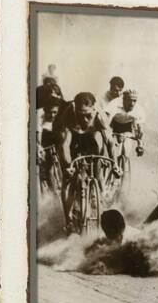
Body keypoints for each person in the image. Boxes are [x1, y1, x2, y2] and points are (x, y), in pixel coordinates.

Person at [54, 92, 116, 231]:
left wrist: (115, 163)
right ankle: (68, 220)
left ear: (94, 108)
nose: (85, 119)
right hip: (72, 138)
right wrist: (68, 167)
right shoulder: (67, 114)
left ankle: (101, 197)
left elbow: (110, 141)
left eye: (88, 115)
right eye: (80, 114)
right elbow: (64, 145)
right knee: (67, 179)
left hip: (91, 137)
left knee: (98, 156)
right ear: (75, 108)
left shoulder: (100, 116)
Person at [104, 89, 146, 160]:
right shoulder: (114, 103)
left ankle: (125, 162)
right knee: (111, 146)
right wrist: (108, 135)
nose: (132, 103)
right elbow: (106, 121)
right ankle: (113, 163)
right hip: (114, 124)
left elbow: (141, 130)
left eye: (134, 101)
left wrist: (140, 146)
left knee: (127, 149)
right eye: (129, 100)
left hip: (127, 127)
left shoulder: (139, 109)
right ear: (124, 99)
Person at [37, 103, 60, 191]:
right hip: (44, 140)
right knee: (48, 168)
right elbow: (38, 134)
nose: (52, 115)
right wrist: (40, 147)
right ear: (45, 111)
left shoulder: (60, 116)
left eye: (55, 112)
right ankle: (51, 190)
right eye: (50, 112)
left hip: (56, 139)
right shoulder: (39, 117)